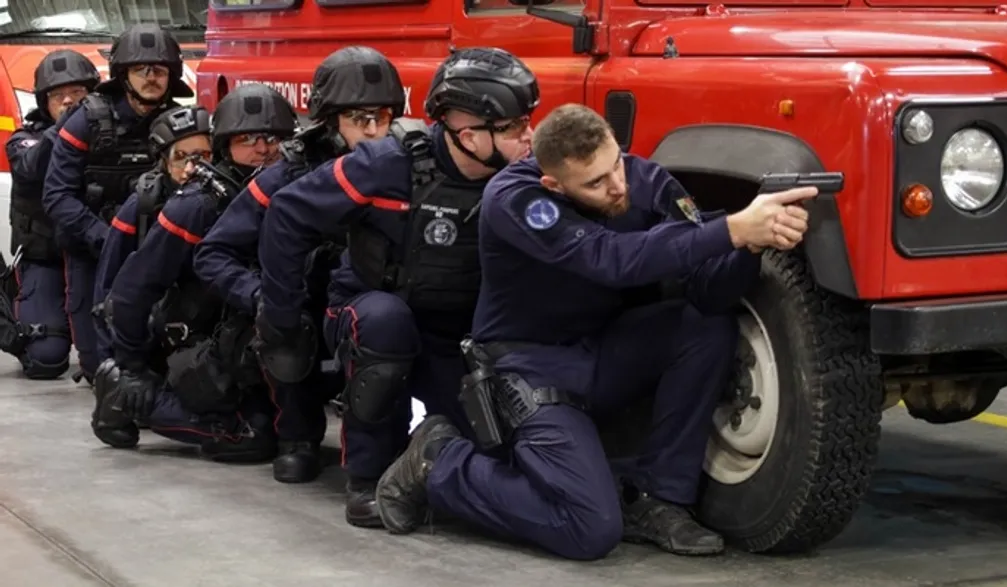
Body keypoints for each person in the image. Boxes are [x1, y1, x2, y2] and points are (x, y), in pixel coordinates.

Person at [373, 103, 818, 561]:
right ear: (554, 184)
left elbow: (708, 290)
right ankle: (439, 461)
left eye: (616, 165)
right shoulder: (516, 198)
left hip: (604, 349)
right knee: (589, 528)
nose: (617, 186)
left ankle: (658, 498)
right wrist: (731, 229)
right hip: (529, 366)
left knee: (704, 326)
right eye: (595, 183)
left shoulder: (645, 181)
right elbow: (608, 259)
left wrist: (750, 244)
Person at [253, 47, 537, 527]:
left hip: (455, 331)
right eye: (513, 127)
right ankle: (369, 477)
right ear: (468, 133)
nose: (528, 136)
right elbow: (287, 213)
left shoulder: (523, 175)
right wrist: (281, 318)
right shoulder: (386, 164)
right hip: (371, 313)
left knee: (496, 445)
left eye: (527, 122)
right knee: (386, 324)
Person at [193, 46, 406, 484]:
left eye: (382, 117)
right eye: (359, 119)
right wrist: (262, 296)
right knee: (286, 327)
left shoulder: (402, 165)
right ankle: (297, 434)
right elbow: (213, 254)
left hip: (368, 303)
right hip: (299, 307)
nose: (373, 131)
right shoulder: (287, 175)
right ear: (329, 121)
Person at [90, 85, 298, 461]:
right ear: (224, 145)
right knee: (251, 436)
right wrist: (132, 367)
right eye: (247, 139)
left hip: (255, 332)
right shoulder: (197, 205)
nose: (263, 149)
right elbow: (132, 290)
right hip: (200, 340)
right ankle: (124, 396)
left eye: (272, 138)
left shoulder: (297, 189)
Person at [42, 23, 192, 383]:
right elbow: (57, 196)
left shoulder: (182, 124)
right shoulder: (87, 120)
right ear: (123, 75)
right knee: (103, 370)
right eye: (142, 69)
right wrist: (107, 238)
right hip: (93, 251)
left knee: (164, 365)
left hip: (155, 251)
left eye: (160, 70)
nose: (152, 77)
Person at [0, 49, 100, 379]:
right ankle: (23, 304)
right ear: (45, 102)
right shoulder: (25, 140)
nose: (69, 101)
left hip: (95, 258)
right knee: (45, 359)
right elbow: (31, 168)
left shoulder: (109, 138)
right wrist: (68, 128)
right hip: (45, 260)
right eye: (58, 95)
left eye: (78, 92)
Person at [92, 105, 214, 365]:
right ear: (165, 162)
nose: (191, 168)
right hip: (153, 328)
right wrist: (112, 364)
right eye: (180, 156)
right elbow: (107, 288)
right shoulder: (142, 205)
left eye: (203, 156)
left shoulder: (226, 199)